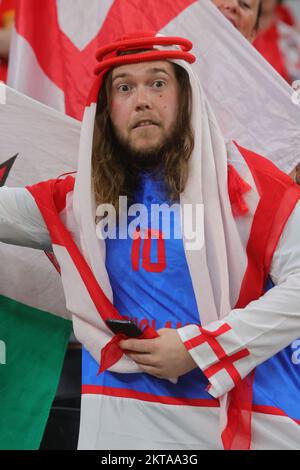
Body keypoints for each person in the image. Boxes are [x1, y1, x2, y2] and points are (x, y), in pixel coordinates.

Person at [0, 32, 300, 450]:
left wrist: (201, 348)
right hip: (122, 423)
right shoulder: (75, 201)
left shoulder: (250, 185)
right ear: (106, 110)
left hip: (244, 424)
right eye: (124, 87)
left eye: (158, 83)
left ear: (186, 96)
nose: (142, 99)